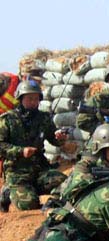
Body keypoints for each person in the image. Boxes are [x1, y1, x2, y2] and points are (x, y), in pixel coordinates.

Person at [0, 79, 68, 211]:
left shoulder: (44, 118)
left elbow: (54, 140)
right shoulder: (7, 119)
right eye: (29, 98)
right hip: (17, 172)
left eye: (36, 99)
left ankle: (37, 194)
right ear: (20, 98)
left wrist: (60, 138)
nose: (33, 102)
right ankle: (7, 192)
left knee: (66, 183)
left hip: (40, 170)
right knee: (29, 205)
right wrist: (20, 151)